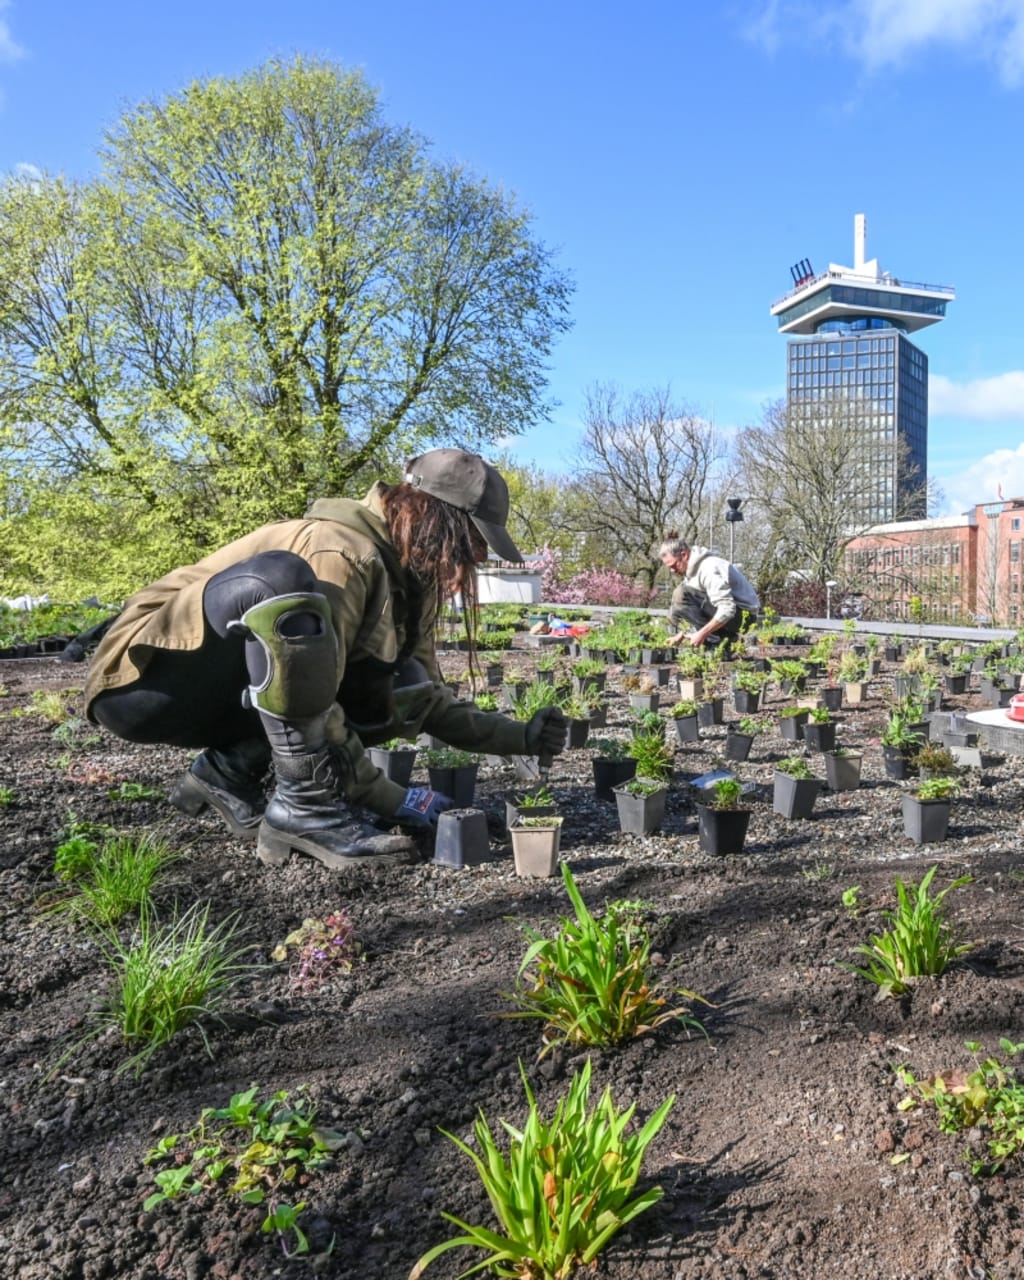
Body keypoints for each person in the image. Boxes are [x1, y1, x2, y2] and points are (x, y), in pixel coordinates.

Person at [84, 449, 567, 871]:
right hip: (145, 679)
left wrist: (518, 736)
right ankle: (306, 808)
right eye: (471, 544)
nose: (474, 560)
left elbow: (423, 700)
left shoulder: (405, 580)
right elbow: (314, 701)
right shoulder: (339, 551)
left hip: (214, 689)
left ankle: (226, 773)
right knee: (281, 582)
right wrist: (398, 799)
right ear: (439, 522)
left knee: (396, 679)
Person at [659, 531, 760, 650]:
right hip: (732, 616)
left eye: (674, 565)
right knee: (678, 598)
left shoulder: (708, 569)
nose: (672, 571)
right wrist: (682, 633)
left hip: (744, 617)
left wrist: (702, 634)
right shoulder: (691, 572)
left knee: (680, 593)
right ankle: (717, 640)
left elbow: (727, 608)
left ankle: (716, 643)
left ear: (684, 555)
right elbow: (693, 611)